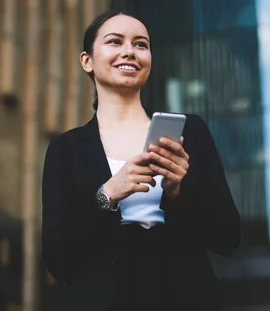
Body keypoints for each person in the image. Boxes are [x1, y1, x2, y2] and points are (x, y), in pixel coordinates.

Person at [41, 9, 241, 311]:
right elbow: (58, 261)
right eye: (114, 42)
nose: (129, 52)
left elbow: (228, 237)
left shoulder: (190, 132)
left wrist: (178, 191)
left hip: (183, 295)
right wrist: (107, 194)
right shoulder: (65, 149)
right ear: (88, 61)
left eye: (141, 44)